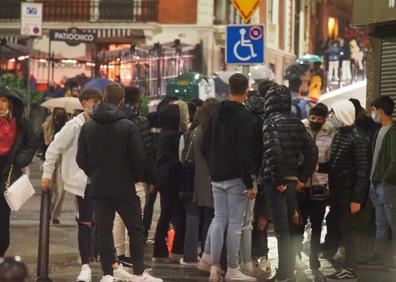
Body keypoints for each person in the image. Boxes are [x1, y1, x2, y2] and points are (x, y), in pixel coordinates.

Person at [77, 83, 162, 282]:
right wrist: (133, 177)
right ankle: (139, 272)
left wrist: (94, 172)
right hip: (124, 186)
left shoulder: (89, 125)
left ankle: (108, 273)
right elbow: (138, 157)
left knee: (104, 229)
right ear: (121, 101)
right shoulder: (127, 126)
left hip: (99, 186)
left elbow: (81, 158)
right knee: (135, 229)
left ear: (104, 98)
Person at [42, 88, 106, 282]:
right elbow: (54, 147)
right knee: (86, 221)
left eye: (98, 102)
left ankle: (101, 260)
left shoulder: (101, 124)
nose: (95, 105)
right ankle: (86, 263)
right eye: (92, 101)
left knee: (101, 221)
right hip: (82, 181)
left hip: (101, 180)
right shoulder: (73, 126)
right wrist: (47, 172)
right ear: (84, 103)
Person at [201, 73, 259, 281]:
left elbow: (204, 145)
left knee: (219, 219)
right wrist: (249, 182)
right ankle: (233, 269)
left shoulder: (215, 113)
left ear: (228, 88)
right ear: (246, 90)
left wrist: (214, 167)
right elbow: (245, 152)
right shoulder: (246, 117)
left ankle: (215, 267)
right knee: (235, 223)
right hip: (236, 178)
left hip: (217, 176)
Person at [259, 84, 317, 282]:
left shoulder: (270, 122)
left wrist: (277, 179)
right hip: (292, 181)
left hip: (277, 182)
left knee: (282, 229)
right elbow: (312, 151)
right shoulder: (297, 123)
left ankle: (284, 274)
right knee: (292, 227)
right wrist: (302, 176)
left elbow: (273, 151)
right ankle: (288, 271)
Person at [326, 100, 370, 282]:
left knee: (348, 230)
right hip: (339, 191)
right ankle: (347, 266)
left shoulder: (356, 138)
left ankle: (350, 268)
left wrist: (357, 199)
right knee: (343, 228)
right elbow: (335, 164)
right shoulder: (341, 134)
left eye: (334, 113)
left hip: (349, 193)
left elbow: (362, 172)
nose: (332, 117)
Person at [113, 86, 155, 266]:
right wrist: (150, 178)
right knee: (135, 217)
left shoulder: (112, 119)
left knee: (117, 216)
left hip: (114, 175)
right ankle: (130, 255)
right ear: (138, 100)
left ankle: (118, 253)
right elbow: (147, 152)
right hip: (136, 177)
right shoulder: (141, 121)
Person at [358, 96, 396, 270]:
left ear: (380, 111)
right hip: (375, 184)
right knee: (381, 222)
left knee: (392, 222)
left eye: (374, 110)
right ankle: (379, 256)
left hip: (386, 185)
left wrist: (384, 179)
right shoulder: (379, 130)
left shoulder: (393, 132)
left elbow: (394, 162)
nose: (372, 114)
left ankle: (392, 258)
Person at [297, 103, 336, 271]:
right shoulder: (300, 127)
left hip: (321, 183)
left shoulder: (330, 130)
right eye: (313, 118)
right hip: (301, 183)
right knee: (299, 222)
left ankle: (314, 260)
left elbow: (332, 157)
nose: (315, 122)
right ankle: (296, 255)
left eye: (319, 119)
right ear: (308, 116)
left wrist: (328, 182)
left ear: (324, 120)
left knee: (317, 224)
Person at [180, 98, 218, 266]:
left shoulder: (197, 131)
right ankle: (208, 254)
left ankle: (197, 255)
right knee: (212, 218)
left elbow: (189, 158)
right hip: (217, 180)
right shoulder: (218, 131)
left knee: (198, 217)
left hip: (199, 180)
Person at [0, 87, 36, 257]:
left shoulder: (21, 123)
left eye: (4, 100)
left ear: (10, 103)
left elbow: (31, 143)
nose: (0, 104)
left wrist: (21, 159)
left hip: (8, 173)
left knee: (2, 219)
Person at [152, 101, 188, 262]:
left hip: (162, 177)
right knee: (179, 214)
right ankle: (177, 248)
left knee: (165, 214)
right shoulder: (176, 136)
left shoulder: (163, 134)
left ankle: (159, 250)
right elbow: (180, 159)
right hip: (173, 178)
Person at [39, 107, 69, 224]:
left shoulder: (69, 126)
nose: (60, 115)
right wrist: (45, 143)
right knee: (49, 188)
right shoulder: (47, 126)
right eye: (57, 112)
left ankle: (55, 214)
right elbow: (40, 143)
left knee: (61, 190)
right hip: (49, 159)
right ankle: (48, 211)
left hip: (63, 160)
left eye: (62, 112)